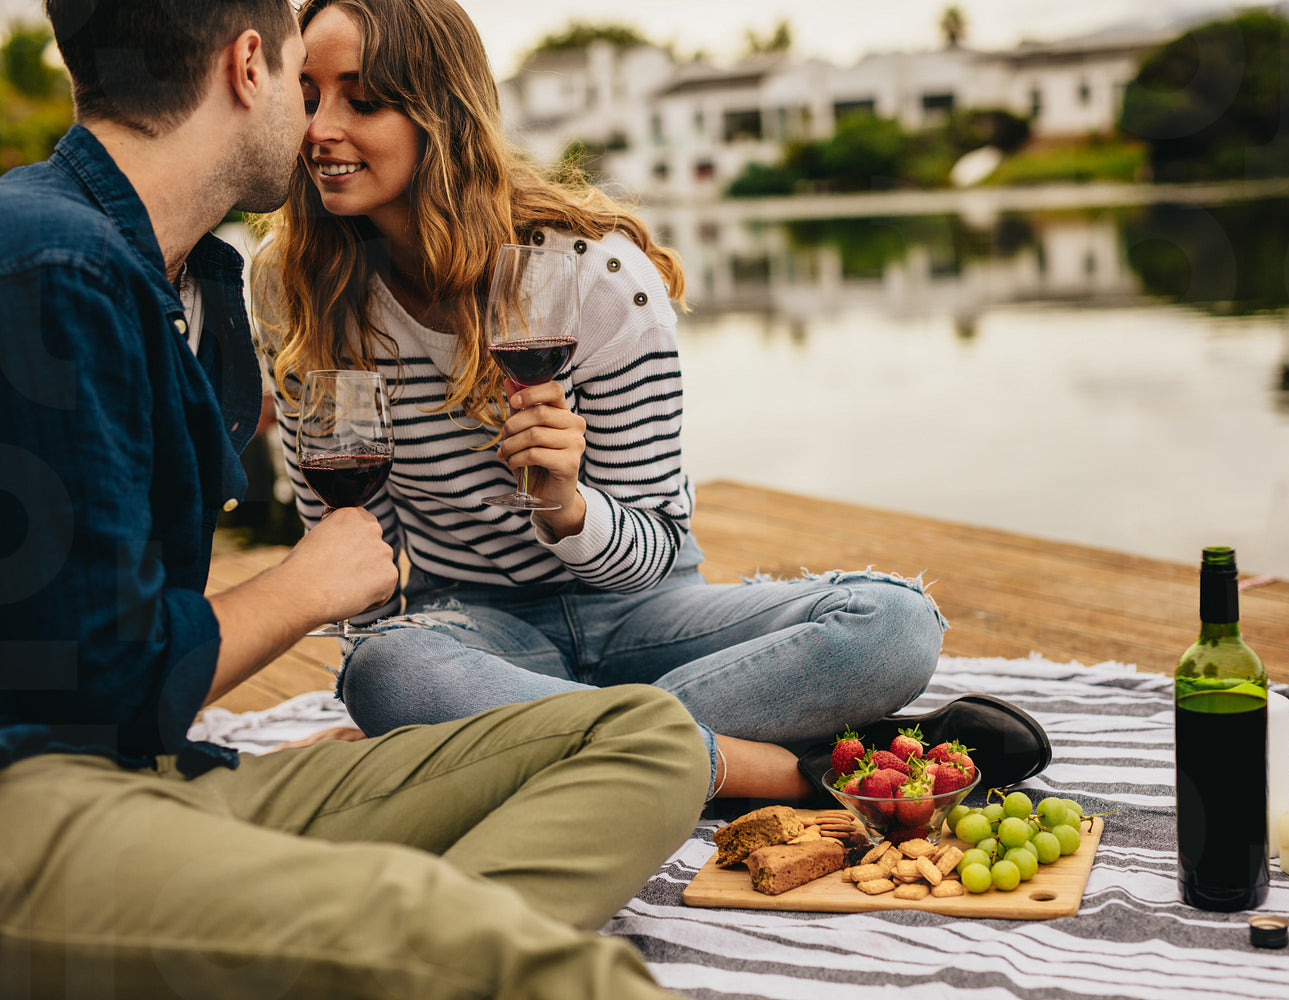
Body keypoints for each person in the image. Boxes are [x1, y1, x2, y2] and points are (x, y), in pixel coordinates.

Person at [0, 1, 708, 997]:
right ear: (251, 65)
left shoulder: (191, 279)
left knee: (648, 736)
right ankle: (414, 949)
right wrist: (305, 585)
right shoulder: (47, 269)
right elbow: (89, 685)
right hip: (36, 802)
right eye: (305, 79)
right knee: (528, 963)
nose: (317, 119)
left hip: (156, 773)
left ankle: (376, 956)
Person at [252, 0, 950, 805]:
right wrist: (393, 695)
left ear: (442, 114)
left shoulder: (593, 275)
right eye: (307, 97)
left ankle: (534, 739)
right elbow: (349, 556)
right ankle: (776, 769)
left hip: (647, 615)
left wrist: (567, 508)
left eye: (364, 100)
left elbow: (655, 547)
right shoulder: (289, 285)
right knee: (389, 671)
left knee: (893, 626)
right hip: (476, 630)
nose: (319, 129)